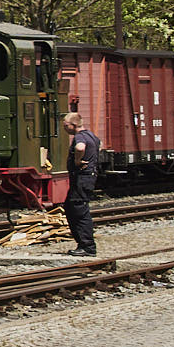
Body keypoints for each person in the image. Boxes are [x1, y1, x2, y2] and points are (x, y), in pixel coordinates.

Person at [64, 107, 103, 256]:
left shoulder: (80, 137)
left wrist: (77, 160)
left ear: (73, 125)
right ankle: (84, 244)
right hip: (88, 177)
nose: (65, 128)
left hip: (82, 177)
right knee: (71, 206)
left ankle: (87, 246)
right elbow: (100, 145)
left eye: (66, 125)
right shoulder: (92, 136)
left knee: (79, 210)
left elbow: (80, 147)